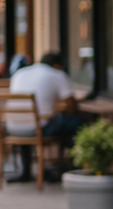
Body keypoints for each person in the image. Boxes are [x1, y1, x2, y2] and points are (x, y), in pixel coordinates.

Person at [5, 51, 82, 182]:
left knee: (31, 122)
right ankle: (72, 169)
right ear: (57, 65)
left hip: (12, 128)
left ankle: (26, 172)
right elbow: (71, 106)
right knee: (77, 124)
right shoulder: (57, 74)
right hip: (38, 129)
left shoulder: (20, 73)